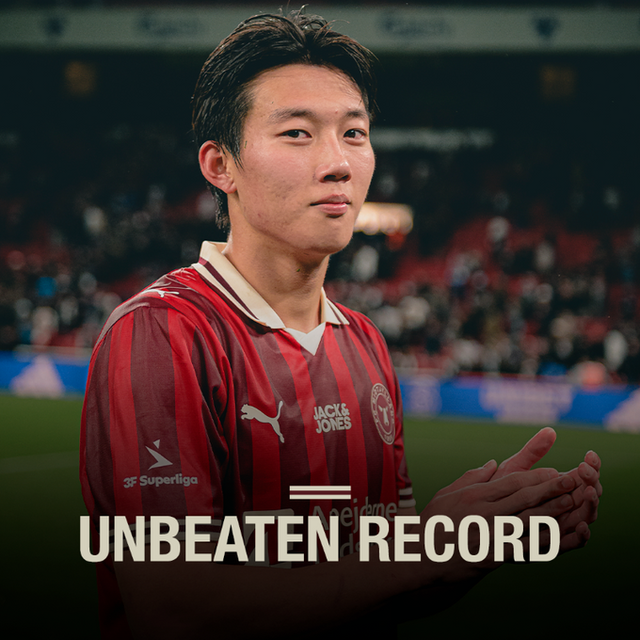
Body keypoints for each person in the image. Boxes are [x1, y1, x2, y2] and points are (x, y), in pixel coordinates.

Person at [80, 10, 601, 640]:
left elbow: (386, 584)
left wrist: (464, 539)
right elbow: (172, 610)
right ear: (221, 166)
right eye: (297, 133)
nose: (338, 163)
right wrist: (419, 555)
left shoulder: (364, 342)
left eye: (354, 133)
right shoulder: (163, 333)